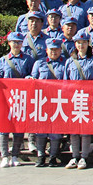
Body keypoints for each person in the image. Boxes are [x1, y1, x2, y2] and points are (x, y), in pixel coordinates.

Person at [0, 31, 35, 168]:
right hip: (7, 98)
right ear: (9, 43)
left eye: (19, 42)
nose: (17, 45)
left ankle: (15, 155)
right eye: (14, 42)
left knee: (19, 128)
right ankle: (4, 156)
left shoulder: (28, 59)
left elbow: (31, 74)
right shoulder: (4, 59)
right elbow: (0, 74)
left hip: (21, 97)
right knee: (4, 127)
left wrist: (29, 78)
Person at [64, 31, 93, 169]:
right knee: (74, 130)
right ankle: (74, 156)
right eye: (79, 43)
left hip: (88, 99)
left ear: (88, 44)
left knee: (85, 130)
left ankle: (84, 157)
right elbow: (65, 82)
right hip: (74, 99)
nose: (81, 45)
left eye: (84, 43)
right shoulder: (70, 61)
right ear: (75, 44)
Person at [28, 37, 65, 167]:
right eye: (51, 50)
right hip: (42, 101)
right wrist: (29, 79)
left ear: (60, 50)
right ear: (46, 50)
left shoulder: (65, 63)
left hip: (58, 101)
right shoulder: (39, 63)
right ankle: (41, 156)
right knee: (41, 131)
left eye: (56, 49)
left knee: (56, 132)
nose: (54, 52)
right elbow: (33, 77)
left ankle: (53, 157)